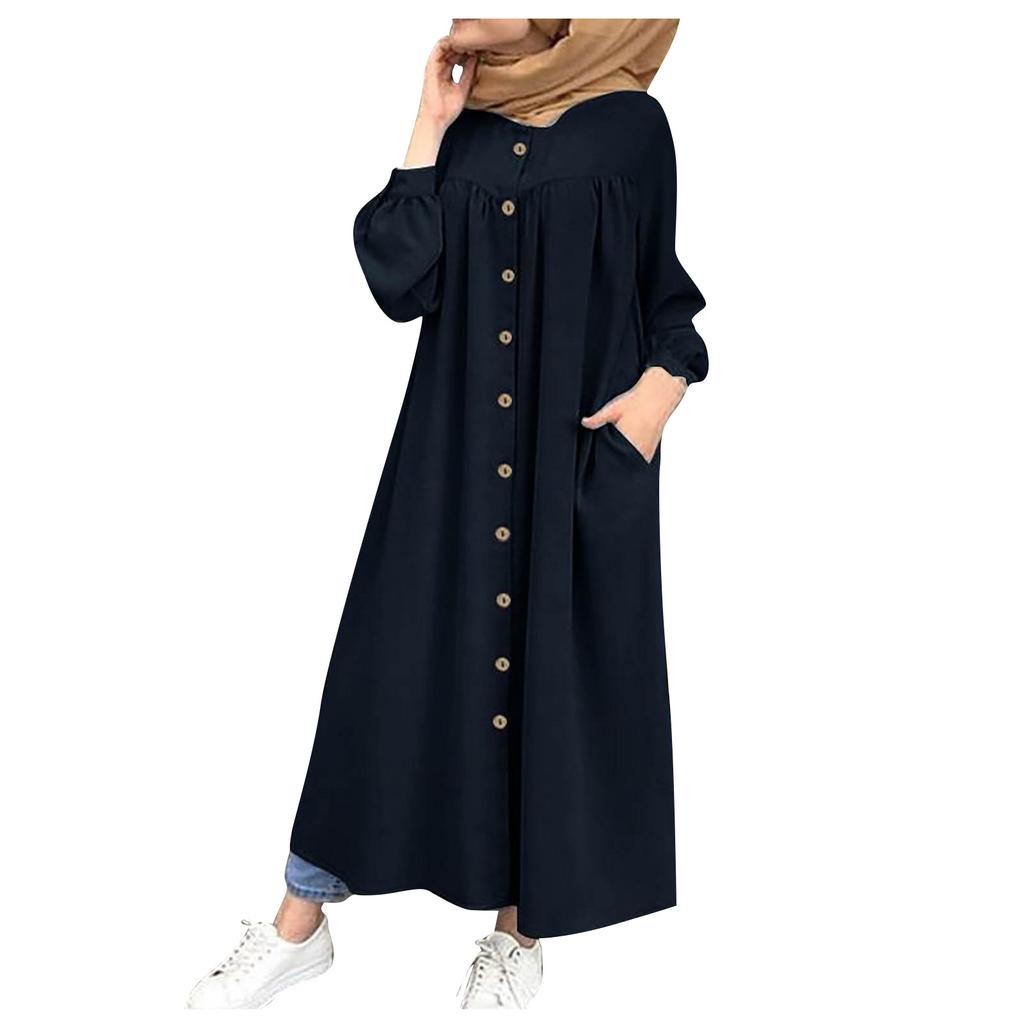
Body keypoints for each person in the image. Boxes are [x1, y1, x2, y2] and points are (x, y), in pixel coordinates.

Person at [187, 17, 708, 1010]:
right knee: (385, 673)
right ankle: (300, 921)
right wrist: (427, 129)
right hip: (448, 459)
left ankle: (517, 935)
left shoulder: (631, 127)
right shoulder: (463, 126)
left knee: (549, 684)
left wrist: (661, 390)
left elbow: (665, 295)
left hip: (571, 460)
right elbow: (399, 280)